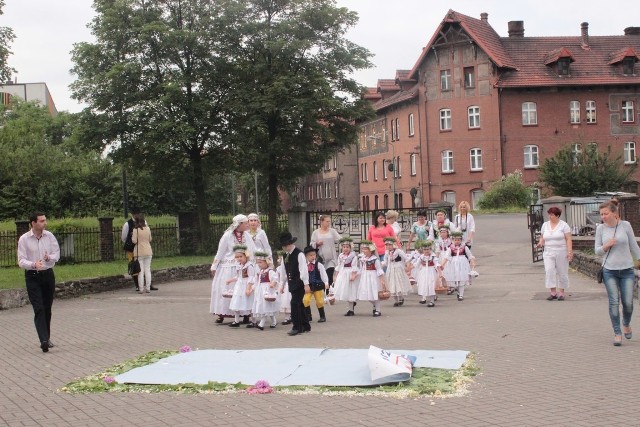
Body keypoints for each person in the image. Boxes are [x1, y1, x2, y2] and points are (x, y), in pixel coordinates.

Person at [595, 199, 640, 346]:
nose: (603, 216)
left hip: (627, 269)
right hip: (609, 271)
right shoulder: (600, 229)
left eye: (605, 213)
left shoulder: (625, 226)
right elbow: (597, 251)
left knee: (628, 303)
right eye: (601, 214)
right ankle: (617, 333)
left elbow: (634, 246)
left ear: (614, 213)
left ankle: (626, 323)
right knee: (614, 302)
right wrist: (606, 246)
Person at [17, 212, 60, 353]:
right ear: (33, 223)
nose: (45, 223)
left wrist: (49, 258)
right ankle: (43, 341)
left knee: (47, 308)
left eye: (45, 220)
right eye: (41, 221)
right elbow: (21, 260)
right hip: (32, 276)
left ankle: (47, 337)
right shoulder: (24, 239)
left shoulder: (49, 236)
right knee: (39, 308)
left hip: (48, 275)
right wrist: (33, 264)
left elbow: (57, 254)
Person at [210, 214, 257, 324]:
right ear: (239, 224)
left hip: (244, 266)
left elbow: (253, 250)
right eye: (245, 223)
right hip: (229, 267)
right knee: (227, 289)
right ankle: (223, 313)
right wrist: (214, 266)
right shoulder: (227, 235)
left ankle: (245, 314)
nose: (248, 225)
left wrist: (256, 263)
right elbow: (220, 251)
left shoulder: (247, 235)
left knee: (244, 290)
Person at [536, 206, 573, 301]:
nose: (549, 216)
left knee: (562, 271)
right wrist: (541, 242)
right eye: (549, 214)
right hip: (548, 251)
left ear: (557, 215)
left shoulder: (564, 225)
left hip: (561, 251)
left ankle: (561, 292)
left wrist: (569, 251)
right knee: (549, 271)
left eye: (551, 214)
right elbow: (542, 236)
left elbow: (568, 239)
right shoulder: (545, 225)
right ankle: (553, 292)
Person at [280, 231, 311, 336]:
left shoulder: (299, 254)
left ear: (290, 244)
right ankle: (306, 325)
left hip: (300, 282)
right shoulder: (285, 255)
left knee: (294, 303)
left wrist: (306, 284)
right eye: (283, 246)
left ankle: (297, 327)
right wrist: (282, 284)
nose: (284, 248)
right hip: (291, 283)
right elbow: (283, 271)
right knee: (299, 304)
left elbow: (303, 270)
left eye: (286, 245)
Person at [121, 207, 157, 291]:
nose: (137, 215)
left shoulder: (144, 222)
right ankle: (137, 285)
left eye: (138, 213)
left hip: (141, 249)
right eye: (136, 213)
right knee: (134, 267)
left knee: (145, 267)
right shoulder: (127, 224)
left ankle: (148, 285)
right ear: (133, 214)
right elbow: (123, 237)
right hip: (132, 249)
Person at [227, 245, 256, 327]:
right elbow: (239, 276)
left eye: (241, 256)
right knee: (236, 302)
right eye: (237, 257)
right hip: (239, 285)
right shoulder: (239, 265)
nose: (239, 258)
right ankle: (236, 321)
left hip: (246, 285)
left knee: (249, 303)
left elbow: (251, 278)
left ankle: (253, 321)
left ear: (246, 256)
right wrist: (230, 280)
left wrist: (248, 288)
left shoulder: (249, 266)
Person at [355, 239, 386, 317]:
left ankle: (378, 310)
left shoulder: (375, 260)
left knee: (374, 293)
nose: (364, 251)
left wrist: (382, 280)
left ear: (371, 250)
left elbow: (379, 270)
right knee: (367, 294)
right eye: (363, 249)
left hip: (373, 277)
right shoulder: (362, 259)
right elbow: (361, 269)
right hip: (365, 277)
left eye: (366, 249)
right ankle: (375, 305)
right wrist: (356, 275)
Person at [310, 214, 341, 289]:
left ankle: (329, 293)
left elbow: (340, 239)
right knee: (322, 276)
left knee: (329, 274)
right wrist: (317, 244)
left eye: (329, 221)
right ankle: (323, 292)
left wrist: (347, 242)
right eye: (327, 221)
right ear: (322, 222)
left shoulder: (332, 231)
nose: (328, 223)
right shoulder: (316, 232)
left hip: (331, 258)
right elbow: (311, 244)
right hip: (321, 258)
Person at [444, 231, 476, 301]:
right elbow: (446, 257)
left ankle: (461, 294)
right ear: (453, 240)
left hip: (463, 264)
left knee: (462, 279)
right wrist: (442, 264)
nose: (457, 241)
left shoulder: (464, 247)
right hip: (453, 265)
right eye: (455, 240)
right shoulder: (450, 248)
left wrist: (472, 262)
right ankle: (458, 291)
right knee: (456, 279)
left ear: (461, 240)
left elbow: (470, 255)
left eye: (458, 240)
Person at [333, 237, 360, 316]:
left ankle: (351, 310)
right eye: (344, 247)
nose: (345, 249)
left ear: (350, 248)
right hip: (343, 273)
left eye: (347, 247)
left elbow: (354, 267)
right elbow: (339, 266)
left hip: (350, 273)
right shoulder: (341, 256)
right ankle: (351, 308)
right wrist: (336, 275)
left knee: (351, 291)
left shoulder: (353, 256)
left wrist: (353, 276)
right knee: (346, 291)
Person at [253, 251, 279, 330]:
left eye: (260, 262)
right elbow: (258, 281)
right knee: (267, 307)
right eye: (258, 263)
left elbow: (275, 279)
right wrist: (254, 287)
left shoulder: (270, 271)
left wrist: (273, 284)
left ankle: (261, 324)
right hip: (261, 290)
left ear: (267, 262)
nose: (259, 264)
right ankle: (274, 321)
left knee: (266, 306)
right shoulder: (261, 272)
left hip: (267, 290)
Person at [302, 246, 330, 323]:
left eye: (314, 255)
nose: (313, 257)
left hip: (318, 285)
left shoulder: (319, 265)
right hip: (308, 286)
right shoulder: (304, 266)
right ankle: (308, 316)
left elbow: (323, 274)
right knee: (305, 300)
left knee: (319, 301)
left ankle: (322, 316)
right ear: (306, 256)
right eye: (310, 255)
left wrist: (326, 282)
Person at [383, 236, 411, 307]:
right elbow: (385, 262)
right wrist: (381, 264)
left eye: (390, 245)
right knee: (392, 283)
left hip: (398, 268)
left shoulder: (399, 251)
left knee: (399, 283)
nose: (388, 246)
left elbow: (406, 258)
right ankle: (396, 300)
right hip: (390, 269)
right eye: (387, 245)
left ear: (393, 245)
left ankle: (401, 298)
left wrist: (408, 266)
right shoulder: (387, 253)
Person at [413, 240, 441, 307]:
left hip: (431, 271)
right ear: (422, 250)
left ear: (430, 249)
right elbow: (416, 264)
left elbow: (436, 264)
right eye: (425, 249)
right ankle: (423, 298)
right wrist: (409, 268)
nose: (426, 251)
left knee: (431, 285)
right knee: (423, 284)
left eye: (428, 249)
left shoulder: (433, 257)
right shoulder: (421, 257)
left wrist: (440, 272)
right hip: (423, 271)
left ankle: (432, 301)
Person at [132, 212, 153, 294]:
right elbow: (150, 239)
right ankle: (148, 288)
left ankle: (141, 288)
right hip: (148, 251)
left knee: (140, 271)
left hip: (139, 252)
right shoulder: (148, 229)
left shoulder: (135, 230)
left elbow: (134, 241)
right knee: (147, 269)